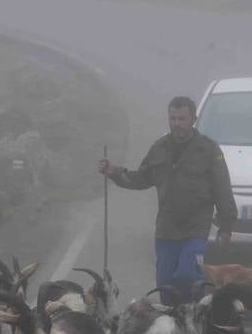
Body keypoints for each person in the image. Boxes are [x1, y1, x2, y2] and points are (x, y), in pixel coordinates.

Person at [98, 95, 237, 297]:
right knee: (164, 284)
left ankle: (197, 317)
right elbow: (141, 178)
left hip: (195, 229)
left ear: (193, 119)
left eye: (182, 119)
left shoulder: (209, 150)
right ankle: (172, 321)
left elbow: (222, 189)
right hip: (166, 229)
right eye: (173, 119)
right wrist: (114, 172)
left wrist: (227, 227)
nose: (177, 124)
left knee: (187, 275)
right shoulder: (159, 148)